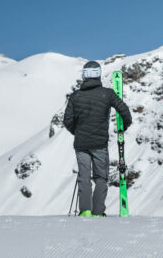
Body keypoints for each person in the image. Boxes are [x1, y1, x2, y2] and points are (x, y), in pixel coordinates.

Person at [64, 61, 132, 217]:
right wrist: (124, 126)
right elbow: (124, 111)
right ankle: (98, 212)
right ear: (98, 74)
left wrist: (77, 131)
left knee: (84, 176)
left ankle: (85, 211)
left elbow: (67, 120)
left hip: (81, 143)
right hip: (100, 144)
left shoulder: (76, 96)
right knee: (101, 177)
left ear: (84, 75)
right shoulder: (107, 94)